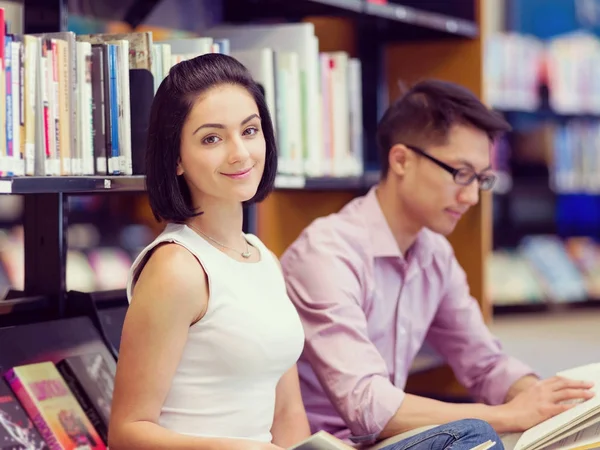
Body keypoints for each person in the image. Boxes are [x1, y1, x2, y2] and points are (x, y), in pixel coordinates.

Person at [280, 79, 596, 448]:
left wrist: (544, 399)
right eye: (461, 174)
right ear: (401, 160)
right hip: (328, 444)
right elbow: (366, 404)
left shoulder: (434, 253)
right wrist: (509, 415)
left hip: (384, 442)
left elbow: (485, 362)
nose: (472, 196)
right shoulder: (327, 253)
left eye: (481, 179)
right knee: (478, 435)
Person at [108, 53, 311, 450]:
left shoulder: (261, 257)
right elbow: (127, 432)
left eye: (250, 131)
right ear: (177, 158)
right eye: (212, 138)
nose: (240, 153)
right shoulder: (176, 267)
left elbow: (288, 414)